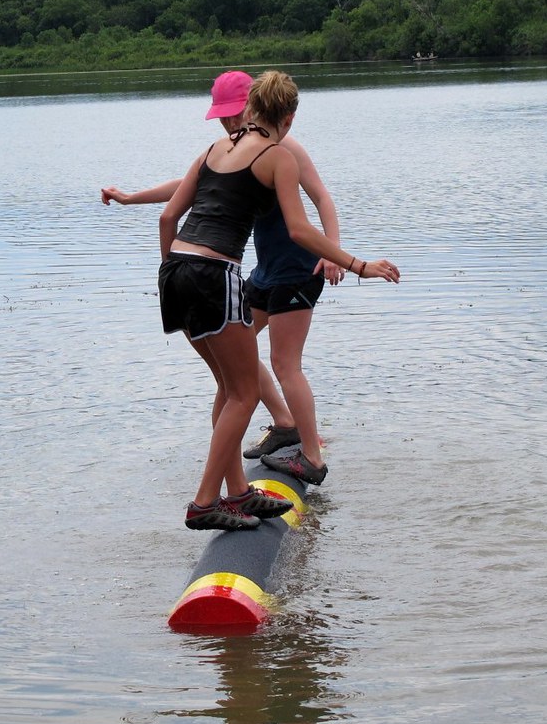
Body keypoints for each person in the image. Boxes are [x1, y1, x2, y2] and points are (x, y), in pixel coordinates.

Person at [156, 70, 399, 530]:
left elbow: (169, 215)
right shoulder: (277, 156)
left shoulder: (213, 150)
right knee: (246, 393)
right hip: (215, 273)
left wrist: (168, 267)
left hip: (175, 271)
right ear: (287, 117)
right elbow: (298, 230)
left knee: (230, 388)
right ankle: (206, 503)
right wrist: (357, 264)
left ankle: (238, 495)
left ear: (249, 110)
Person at [102, 70, 342, 485]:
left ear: (253, 106)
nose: (230, 124)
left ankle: (311, 453)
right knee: (240, 350)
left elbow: (321, 197)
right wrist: (131, 197)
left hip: (298, 267)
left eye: (236, 115)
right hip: (264, 271)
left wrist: (337, 255)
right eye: (223, 118)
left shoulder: (285, 149)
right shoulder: (235, 149)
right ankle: (283, 425)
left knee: (284, 364)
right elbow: (193, 184)